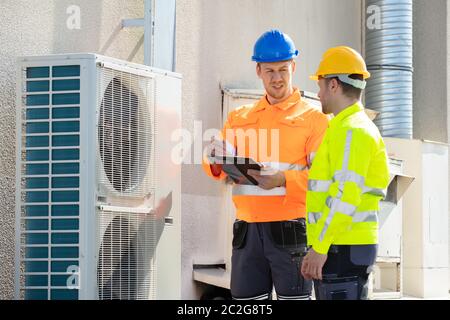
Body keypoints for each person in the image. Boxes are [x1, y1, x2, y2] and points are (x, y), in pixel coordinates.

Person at [203, 30, 329, 300]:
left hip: (290, 228)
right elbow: (216, 169)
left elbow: (323, 180)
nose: (278, 78)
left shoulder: (314, 119)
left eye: (283, 69)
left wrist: (283, 180)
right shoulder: (239, 117)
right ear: (258, 70)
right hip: (247, 231)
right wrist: (213, 157)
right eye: (270, 71)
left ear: (293, 67)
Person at [300, 46, 390, 300]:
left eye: (320, 85)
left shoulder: (352, 131)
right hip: (342, 245)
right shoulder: (345, 128)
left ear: (333, 85)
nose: (318, 94)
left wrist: (320, 246)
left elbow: (345, 195)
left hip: (343, 246)